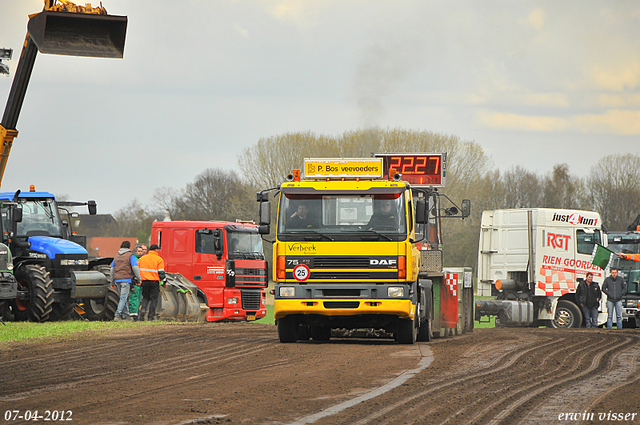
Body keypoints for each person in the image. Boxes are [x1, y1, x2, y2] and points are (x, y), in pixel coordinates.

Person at [110, 240, 141, 321]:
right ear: (129, 247)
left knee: (123, 297)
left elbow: (112, 269)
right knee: (123, 298)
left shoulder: (116, 256)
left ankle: (126, 315)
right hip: (126, 279)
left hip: (117, 280)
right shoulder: (130, 256)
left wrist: (112, 281)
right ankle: (117, 314)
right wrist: (138, 279)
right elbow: (135, 268)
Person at [137, 244, 165, 321]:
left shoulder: (142, 258)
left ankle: (143, 310)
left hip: (144, 281)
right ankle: (150, 317)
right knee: (154, 299)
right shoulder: (159, 259)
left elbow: (137, 270)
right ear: (156, 250)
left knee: (145, 297)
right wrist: (164, 282)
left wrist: (138, 280)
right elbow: (161, 272)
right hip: (154, 282)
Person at [128, 244, 147, 321]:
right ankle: (133, 314)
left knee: (139, 299)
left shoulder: (142, 259)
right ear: (135, 251)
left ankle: (136, 314)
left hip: (141, 282)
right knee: (134, 298)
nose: (140, 252)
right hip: (135, 282)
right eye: (138, 251)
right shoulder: (134, 259)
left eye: (141, 251)